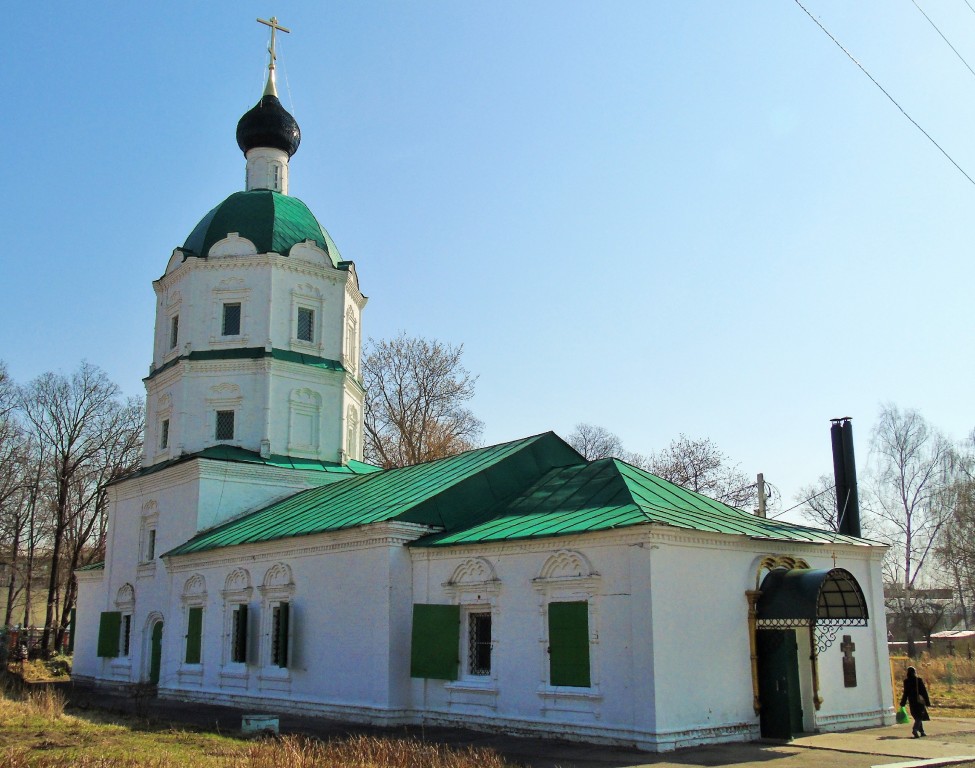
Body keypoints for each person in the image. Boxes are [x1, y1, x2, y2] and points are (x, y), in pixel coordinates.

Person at [900, 666, 931, 738]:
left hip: (912, 702)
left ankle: (922, 732)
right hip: (919, 701)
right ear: (914, 672)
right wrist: (927, 702)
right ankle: (915, 729)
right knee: (919, 717)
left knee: (916, 716)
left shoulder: (906, 681)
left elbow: (905, 693)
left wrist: (903, 702)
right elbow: (924, 692)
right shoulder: (918, 680)